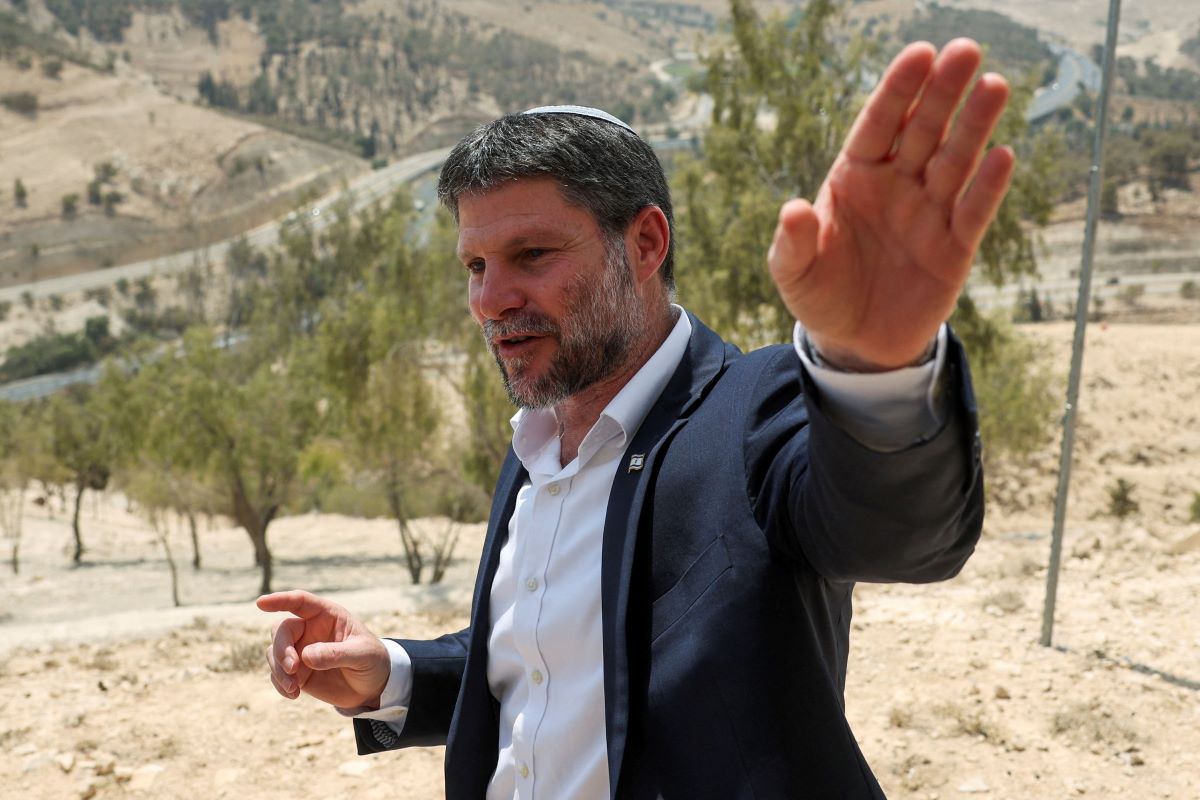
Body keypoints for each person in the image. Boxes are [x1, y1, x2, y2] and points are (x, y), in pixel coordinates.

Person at [259, 38, 1012, 798]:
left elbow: (903, 535)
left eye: (532, 253)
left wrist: (876, 366)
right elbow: (550, 669)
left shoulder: (755, 409)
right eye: (476, 266)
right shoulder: (536, 448)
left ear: (645, 243)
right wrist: (391, 673)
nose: (491, 300)